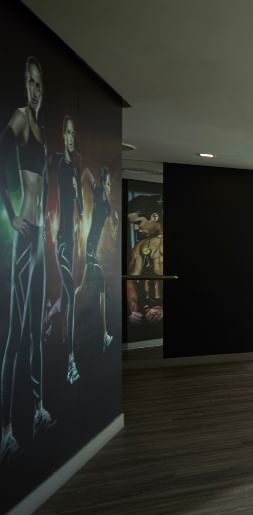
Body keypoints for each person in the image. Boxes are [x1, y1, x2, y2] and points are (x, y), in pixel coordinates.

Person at [0, 56, 51, 461]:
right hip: (24, 231)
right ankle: (6, 428)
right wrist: (9, 211)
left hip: (41, 237)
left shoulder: (43, 129)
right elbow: (2, 150)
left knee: (35, 329)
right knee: (15, 336)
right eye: (29, 82)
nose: (33, 90)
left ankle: (36, 410)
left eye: (38, 84)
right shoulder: (19, 118)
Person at [50, 116, 92, 384]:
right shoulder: (55, 161)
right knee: (71, 297)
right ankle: (71, 361)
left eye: (72, 132)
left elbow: (78, 206)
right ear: (61, 135)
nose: (69, 137)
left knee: (69, 296)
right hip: (61, 241)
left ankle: (52, 311)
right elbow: (46, 190)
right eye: (66, 132)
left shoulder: (75, 168)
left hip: (73, 239)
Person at [73, 167, 115, 363]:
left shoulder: (108, 202)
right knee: (101, 288)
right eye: (107, 183)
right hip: (91, 246)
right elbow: (87, 173)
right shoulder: (98, 191)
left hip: (95, 247)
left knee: (82, 287)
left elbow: (111, 224)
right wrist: (79, 198)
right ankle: (105, 335)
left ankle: (68, 302)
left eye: (110, 184)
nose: (109, 187)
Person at [125, 195, 164, 329]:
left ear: (154, 217)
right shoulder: (140, 247)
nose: (136, 228)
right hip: (148, 310)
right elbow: (130, 280)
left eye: (138, 222)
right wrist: (134, 309)